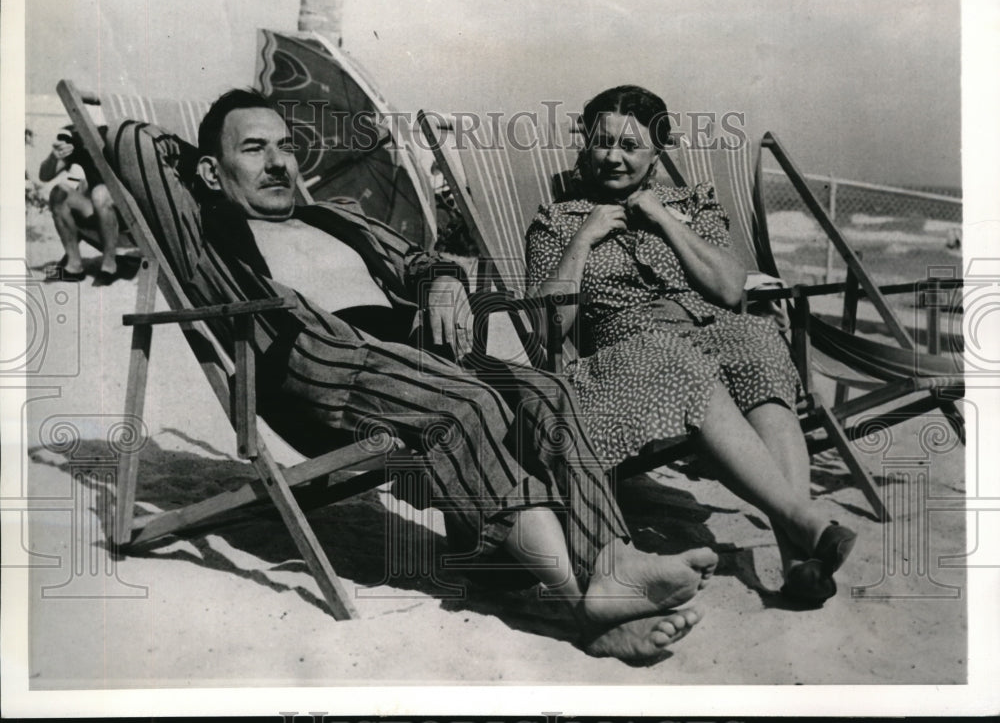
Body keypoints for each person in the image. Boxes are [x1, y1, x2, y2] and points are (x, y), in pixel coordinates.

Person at [183, 88, 719, 664]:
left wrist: (443, 282)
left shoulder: (333, 217)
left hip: (417, 353)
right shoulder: (213, 239)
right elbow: (130, 147)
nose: (278, 163)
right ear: (213, 171)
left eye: (286, 146)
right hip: (329, 365)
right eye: (254, 149)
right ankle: (579, 606)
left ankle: (609, 559)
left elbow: (422, 259)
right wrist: (176, 152)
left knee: (545, 389)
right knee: (468, 404)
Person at [525, 85, 857, 604]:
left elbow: (728, 289)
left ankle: (796, 556)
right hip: (630, 351)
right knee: (677, 357)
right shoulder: (559, 221)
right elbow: (542, 333)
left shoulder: (689, 205)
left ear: (657, 154)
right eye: (602, 142)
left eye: (630, 146)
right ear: (584, 146)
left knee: (755, 337)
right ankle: (803, 519)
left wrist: (662, 219)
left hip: (711, 330)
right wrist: (583, 241)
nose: (613, 155)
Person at [38, 125, 119, 284]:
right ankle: (74, 265)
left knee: (100, 193)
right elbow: (44, 176)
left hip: (127, 210)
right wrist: (55, 156)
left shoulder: (116, 138)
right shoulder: (78, 139)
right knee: (59, 193)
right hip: (97, 205)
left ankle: (109, 263)